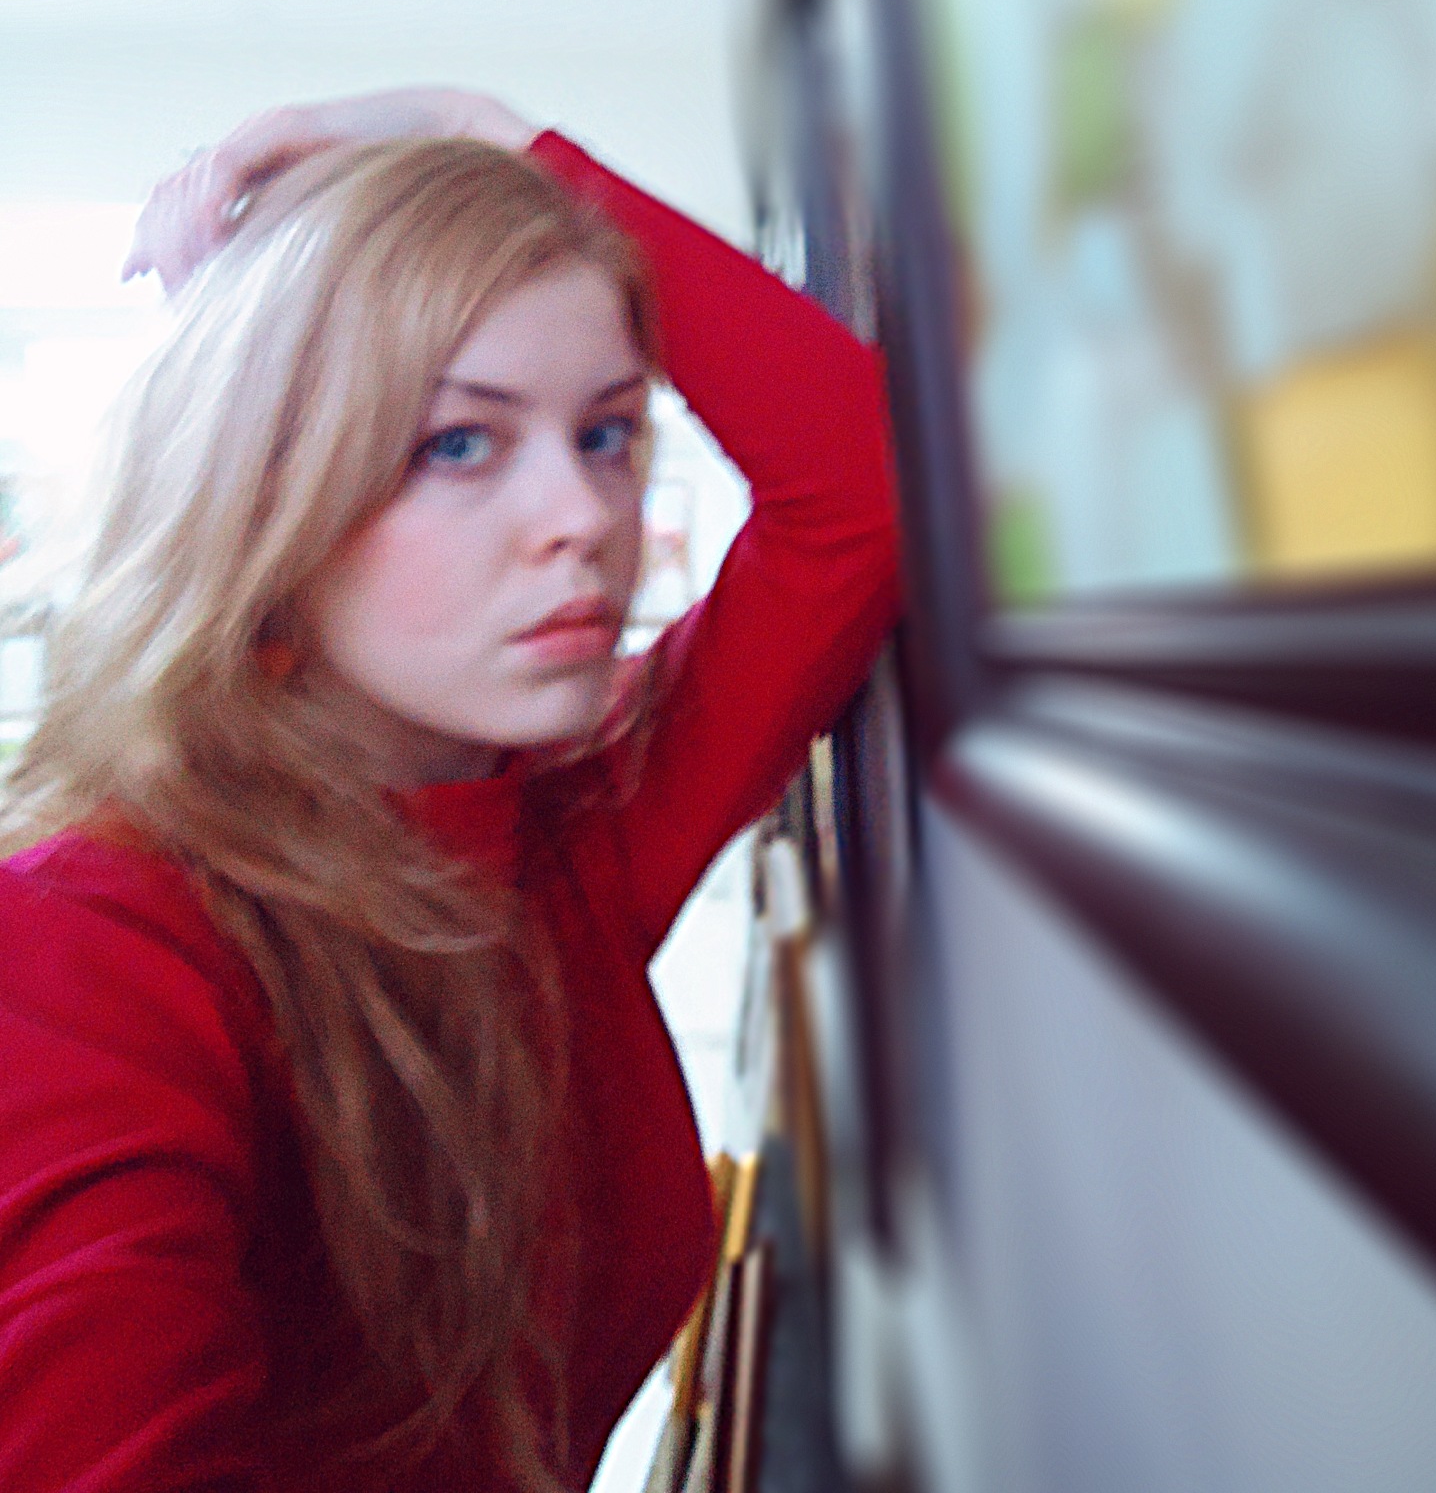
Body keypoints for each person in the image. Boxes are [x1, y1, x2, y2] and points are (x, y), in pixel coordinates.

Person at [0, 89, 900, 1491]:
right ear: (269, 498)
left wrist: (493, 135)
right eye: (459, 445)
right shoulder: (89, 946)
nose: (584, 520)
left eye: (608, 434)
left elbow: (862, 488)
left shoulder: (565, 832)